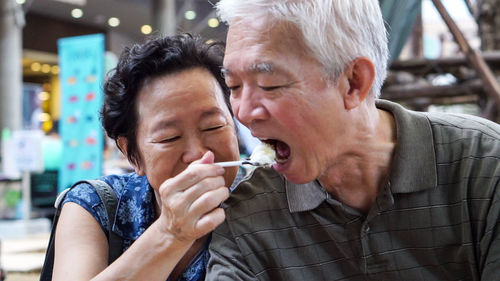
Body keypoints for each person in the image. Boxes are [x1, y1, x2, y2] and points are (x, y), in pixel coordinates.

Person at [206, 1, 500, 280]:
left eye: (270, 85)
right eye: (233, 86)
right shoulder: (247, 215)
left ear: (354, 83)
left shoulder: (485, 168)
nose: (243, 112)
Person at [52, 34, 242, 280]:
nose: (198, 155)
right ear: (132, 154)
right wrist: (171, 234)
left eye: (213, 126)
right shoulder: (94, 206)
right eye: (169, 138)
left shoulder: (263, 201)